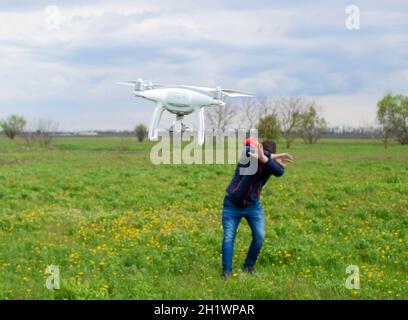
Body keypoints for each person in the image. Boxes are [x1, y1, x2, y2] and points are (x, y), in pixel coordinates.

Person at [221, 137, 293, 278]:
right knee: (229, 238)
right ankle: (227, 272)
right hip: (232, 204)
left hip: (253, 206)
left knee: (259, 237)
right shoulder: (248, 156)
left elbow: (280, 172)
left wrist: (267, 159)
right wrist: (269, 156)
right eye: (262, 153)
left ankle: (249, 266)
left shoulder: (269, 165)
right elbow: (247, 149)